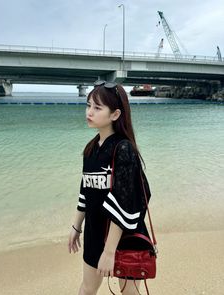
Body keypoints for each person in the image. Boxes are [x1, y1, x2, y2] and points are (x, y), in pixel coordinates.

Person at [68, 80, 152, 295]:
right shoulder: (91, 148)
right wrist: (76, 227)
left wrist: (109, 251)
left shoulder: (124, 149)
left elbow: (126, 201)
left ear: (115, 115)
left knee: (129, 293)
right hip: (95, 232)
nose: (89, 112)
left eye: (97, 108)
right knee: (87, 288)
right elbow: (85, 191)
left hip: (124, 235)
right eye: (88, 105)